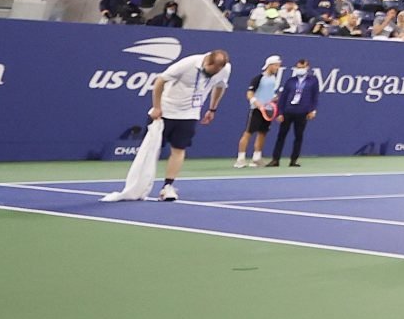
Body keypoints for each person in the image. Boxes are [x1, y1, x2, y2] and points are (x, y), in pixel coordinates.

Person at [108, 48, 229, 203]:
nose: (213, 74)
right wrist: (157, 107)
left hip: (189, 115)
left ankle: (168, 187)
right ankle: (138, 185)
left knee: (179, 150)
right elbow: (159, 81)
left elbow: (220, 86)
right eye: (210, 71)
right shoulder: (187, 64)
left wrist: (212, 108)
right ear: (207, 62)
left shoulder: (224, 69)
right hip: (166, 112)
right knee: (151, 150)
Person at [269, 57, 320, 166]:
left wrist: (312, 110)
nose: (300, 69)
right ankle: (275, 159)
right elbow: (283, 98)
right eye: (298, 67)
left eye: (302, 67)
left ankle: (294, 160)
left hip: (302, 112)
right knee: (281, 136)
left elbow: (314, 96)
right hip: (288, 111)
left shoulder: (313, 81)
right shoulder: (290, 81)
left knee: (298, 136)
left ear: (307, 67)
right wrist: (280, 113)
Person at [235, 55, 283, 168]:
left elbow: (269, 93)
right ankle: (240, 159)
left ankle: (256, 159)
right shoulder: (258, 78)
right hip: (256, 110)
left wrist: (274, 98)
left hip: (268, 110)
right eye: (276, 65)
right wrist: (257, 103)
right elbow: (249, 94)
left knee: (262, 133)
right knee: (248, 133)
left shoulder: (273, 79)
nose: (277, 68)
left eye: (278, 66)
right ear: (270, 65)